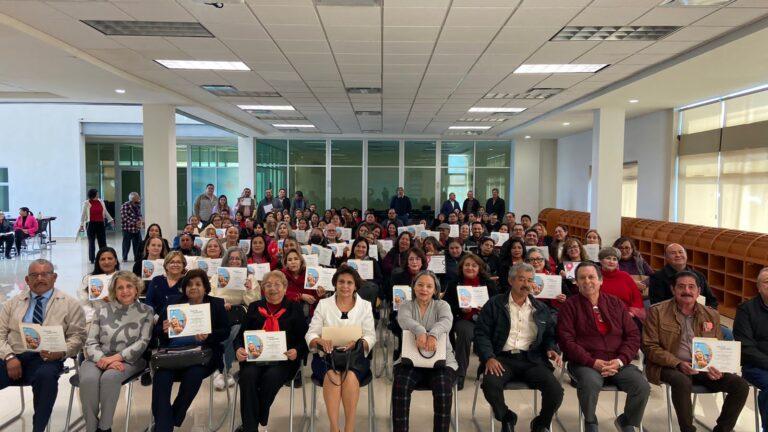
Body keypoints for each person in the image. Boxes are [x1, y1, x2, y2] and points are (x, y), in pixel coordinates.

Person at [643, 270, 749, 432]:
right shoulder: (657, 311)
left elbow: (718, 346)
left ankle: (723, 429)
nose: (687, 291)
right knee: (682, 381)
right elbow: (650, 347)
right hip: (668, 365)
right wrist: (678, 363)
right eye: (681, 287)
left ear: (699, 291)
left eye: (691, 287)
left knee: (740, 385)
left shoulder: (711, 314)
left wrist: (717, 367)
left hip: (702, 366)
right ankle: (688, 429)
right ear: (673, 289)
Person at [557, 261, 650, 432]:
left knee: (642, 386)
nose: (587, 281)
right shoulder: (569, 306)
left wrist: (620, 361)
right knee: (590, 383)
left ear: (600, 281)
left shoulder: (616, 303)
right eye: (582, 278)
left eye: (591, 277)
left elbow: (633, 335)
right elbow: (566, 341)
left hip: (618, 362)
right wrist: (592, 362)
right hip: (585, 363)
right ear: (576, 282)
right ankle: (590, 421)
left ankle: (626, 421)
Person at [475, 262, 564, 432]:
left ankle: (540, 423)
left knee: (556, 391)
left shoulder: (541, 308)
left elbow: (549, 335)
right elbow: (481, 334)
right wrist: (489, 357)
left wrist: (551, 349)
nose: (526, 284)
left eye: (530, 280)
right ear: (511, 280)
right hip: (502, 358)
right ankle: (507, 417)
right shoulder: (495, 304)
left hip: (532, 359)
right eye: (522, 279)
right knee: (490, 385)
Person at [0, 259, 87, 432]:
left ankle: (38, 429)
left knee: (46, 377)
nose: (40, 278)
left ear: (54, 277)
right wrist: (9, 357)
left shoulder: (70, 304)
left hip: (47, 358)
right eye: (34, 275)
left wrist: (61, 352)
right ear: (27, 280)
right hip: (13, 356)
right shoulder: (12, 303)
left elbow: (78, 337)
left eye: (45, 274)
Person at [152, 269, 229, 432]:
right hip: (171, 354)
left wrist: (209, 336)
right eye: (189, 284)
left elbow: (225, 332)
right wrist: (163, 329)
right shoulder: (173, 301)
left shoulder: (216, 304)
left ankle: (168, 421)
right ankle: (164, 427)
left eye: (198, 284)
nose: (193, 287)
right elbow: (157, 330)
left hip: (202, 356)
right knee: (161, 378)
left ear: (205, 287)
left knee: (194, 375)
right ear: (184, 287)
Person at [79, 271, 153, 432]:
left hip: (129, 360)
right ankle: (91, 428)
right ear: (114, 291)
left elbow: (143, 342)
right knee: (88, 380)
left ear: (137, 289)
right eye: (120, 287)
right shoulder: (101, 310)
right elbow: (90, 341)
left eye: (129, 286)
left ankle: (105, 427)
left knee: (109, 378)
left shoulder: (147, 311)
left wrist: (115, 359)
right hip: (97, 358)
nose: (125, 291)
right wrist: (104, 359)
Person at [235, 270, 309, 431]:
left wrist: (297, 351)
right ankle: (251, 428)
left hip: (284, 360)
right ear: (263, 288)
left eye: (277, 284)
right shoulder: (254, 307)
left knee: (271, 377)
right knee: (247, 377)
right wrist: (239, 348)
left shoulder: (294, 308)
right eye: (268, 285)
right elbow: (240, 336)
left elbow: (305, 339)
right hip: (255, 358)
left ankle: (255, 418)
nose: (272, 288)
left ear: (285, 288)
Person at [306, 267, 376, 432]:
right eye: (341, 282)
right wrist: (319, 340)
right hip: (326, 356)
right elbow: (311, 334)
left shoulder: (365, 306)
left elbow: (371, 336)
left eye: (349, 283)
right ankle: (334, 427)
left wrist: (358, 343)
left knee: (350, 377)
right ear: (335, 284)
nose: (345, 286)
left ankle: (349, 427)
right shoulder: (323, 304)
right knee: (333, 378)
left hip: (355, 357)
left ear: (355, 286)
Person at [392, 271, 457, 432]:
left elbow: (446, 321)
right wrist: (420, 331)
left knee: (443, 389)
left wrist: (433, 334)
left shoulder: (442, 305)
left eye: (429, 286)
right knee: (400, 386)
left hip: (441, 361)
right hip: (410, 360)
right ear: (413, 287)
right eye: (420, 285)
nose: (424, 289)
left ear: (435, 290)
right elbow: (404, 320)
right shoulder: (406, 305)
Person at [443, 253, 498, 388]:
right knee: (464, 332)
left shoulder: (489, 284)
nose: (470, 268)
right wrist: (460, 309)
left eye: (474, 265)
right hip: (464, 319)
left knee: (494, 333)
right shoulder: (454, 283)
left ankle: (485, 367)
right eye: (467, 265)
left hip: (485, 321)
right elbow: (446, 306)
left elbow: (497, 306)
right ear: (461, 267)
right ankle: (459, 373)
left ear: (479, 268)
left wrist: (485, 309)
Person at [212, 247, 260, 391]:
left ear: (242, 261)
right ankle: (224, 370)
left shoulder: (249, 277)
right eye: (231, 258)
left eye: (238, 259)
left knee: (235, 329)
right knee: (229, 331)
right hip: (221, 309)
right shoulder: (218, 275)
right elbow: (210, 295)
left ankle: (221, 368)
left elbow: (254, 302)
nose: (234, 261)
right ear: (226, 260)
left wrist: (248, 289)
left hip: (239, 310)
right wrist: (221, 303)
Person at [734, 267, 768, 432]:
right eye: (767, 282)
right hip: (755, 366)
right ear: (758, 287)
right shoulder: (746, 310)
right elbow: (746, 348)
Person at [649, 243, 717, 308]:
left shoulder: (699, 275)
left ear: (686, 255)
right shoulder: (657, 278)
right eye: (673, 253)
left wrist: (707, 312)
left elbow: (712, 301)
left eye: (681, 252)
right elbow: (657, 305)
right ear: (666, 258)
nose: (678, 255)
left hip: (699, 313)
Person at [598, 247, 645, 322]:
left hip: (627, 316)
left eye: (614, 259)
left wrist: (632, 313)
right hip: (603, 316)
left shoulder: (625, 276)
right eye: (608, 258)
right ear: (600, 260)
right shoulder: (595, 277)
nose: (611, 262)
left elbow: (637, 298)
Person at [78, 247, 121, 323]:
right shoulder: (88, 279)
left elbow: (132, 302)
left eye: (110, 258)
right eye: (102, 259)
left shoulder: (124, 278)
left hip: (120, 317)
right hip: (94, 319)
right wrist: (97, 317)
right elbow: (84, 304)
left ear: (116, 261)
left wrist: (114, 301)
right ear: (98, 262)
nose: (106, 262)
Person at [144, 251, 187, 315]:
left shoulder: (187, 281)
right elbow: (148, 302)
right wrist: (154, 317)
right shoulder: (156, 280)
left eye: (178, 262)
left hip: (180, 318)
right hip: (156, 318)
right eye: (172, 262)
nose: (175, 265)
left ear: (183, 265)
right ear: (166, 265)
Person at [80, 190, 114, 264]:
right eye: (97, 193)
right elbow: (83, 215)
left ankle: (103, 256)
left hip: (100, 223)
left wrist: (110, 219)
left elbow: (105, 211)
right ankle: (92, 259)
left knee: (102, 242)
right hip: (90, 224)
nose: (98, 194)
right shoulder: (86, 203)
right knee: (91, 242)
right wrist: (81, 225)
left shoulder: (101, 201)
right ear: (93, 194)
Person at [119, 192, 144, 262]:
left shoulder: (137, 205)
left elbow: (139, 214)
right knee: (126, 244)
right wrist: (135, 222)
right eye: (137, 199)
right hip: (127, 229)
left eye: (138, 198)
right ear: (132, 200)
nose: (138, 200)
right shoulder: (125, 206)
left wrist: (141, 220)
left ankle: (137, 258)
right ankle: (124, 258)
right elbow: (125, 218)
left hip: (136, 229)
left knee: (137, 244)